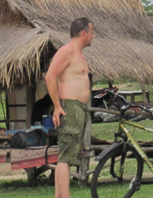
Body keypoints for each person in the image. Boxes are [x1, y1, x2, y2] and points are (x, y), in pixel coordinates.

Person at [45, 17, 95, 198]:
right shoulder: (67, 51)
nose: (93, 37)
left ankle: (60, 196)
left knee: (65, 155)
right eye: (91, 33)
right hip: (70, 106)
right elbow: (50, 77)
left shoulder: (79, 53)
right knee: (66, 156)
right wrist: (57, 106)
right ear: (83, 33)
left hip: (79, 108)